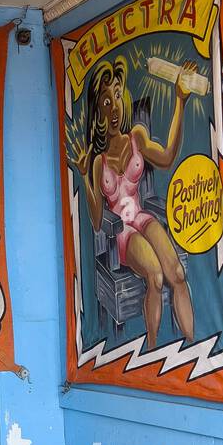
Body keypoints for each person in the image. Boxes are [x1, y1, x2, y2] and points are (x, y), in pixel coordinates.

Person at [75, 55, 197, 348]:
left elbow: (167, 157)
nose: (114, 107)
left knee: (177, 273)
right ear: (99, 113)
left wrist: (180, 100)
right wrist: (84, 178)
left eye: (117, 96)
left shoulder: (136, 138)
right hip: (123, 233)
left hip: (143, 218)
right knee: (155, 276)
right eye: (106, 102)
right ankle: (153, 348)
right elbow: (95, 219)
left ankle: (191, 342)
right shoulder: (97, 161)